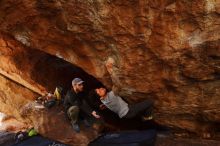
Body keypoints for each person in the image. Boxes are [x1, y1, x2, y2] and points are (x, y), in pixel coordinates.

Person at [89, 86, 153, 121]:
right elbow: (117, 86)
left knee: (141, 108)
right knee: (150, 101)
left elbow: (102, 105)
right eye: (99, 91)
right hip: (129, 111)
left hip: (126, 113)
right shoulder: (111, 95)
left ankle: (143, 115)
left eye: (99, 88)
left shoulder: (104, 101)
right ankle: (147, 117)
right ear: (101, 97)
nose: (101, 88)